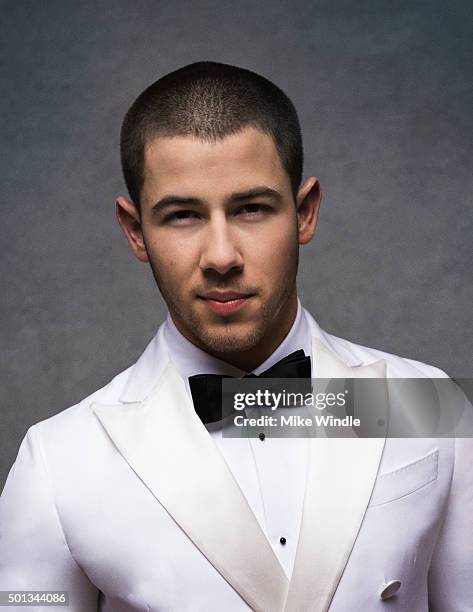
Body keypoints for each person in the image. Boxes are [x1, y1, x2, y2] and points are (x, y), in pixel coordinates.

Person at [0, 61, 471, 612]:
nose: (221, 256)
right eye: (182, 215)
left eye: (251, 208)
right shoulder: (58, 463)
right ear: (135, 232)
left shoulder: (426, 403)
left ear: (304, 212)